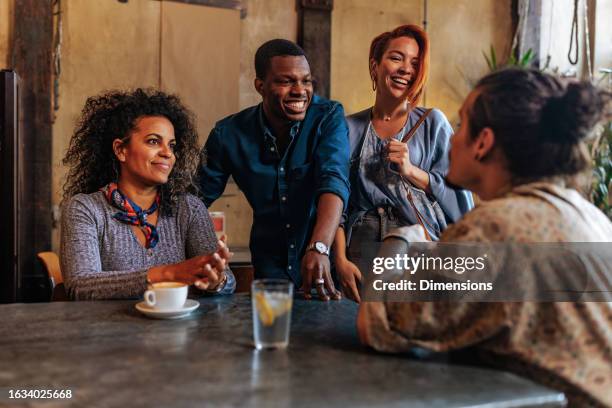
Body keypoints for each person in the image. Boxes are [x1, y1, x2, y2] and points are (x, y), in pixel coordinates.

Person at [357, 68, 612, 407]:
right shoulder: (591, 217)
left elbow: (379, 321)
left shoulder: (492, 228)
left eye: (461, 125)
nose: (452, 139)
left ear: (483, 142)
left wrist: (403, 238)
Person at [199, 39, 350, 301]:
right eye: (286, 81)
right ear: (260, 86)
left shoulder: (327, 117)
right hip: (270, 266)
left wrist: (320, 247)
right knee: (273, 335)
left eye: (306, 81)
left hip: (324, 263)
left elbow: (333, 180)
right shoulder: (228, 134)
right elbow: (195, 198)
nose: (300, 90)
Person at [334, 25, 473, 302]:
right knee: (358, 329)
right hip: (362, 243)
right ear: (375, 66)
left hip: (418, 242)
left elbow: (460, 196)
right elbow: (335, 201)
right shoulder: (347, 128)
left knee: (417, 328)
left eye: (414, 63)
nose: (405, 69)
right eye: (396, 58)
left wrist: (411, 172)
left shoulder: (433, 122)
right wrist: (339, 259)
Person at [61, 89, 236, 300]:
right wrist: (170, 273)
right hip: (108, 332)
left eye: (171, 145)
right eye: (154, 141)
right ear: (120, 150)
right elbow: (80, 286)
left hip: (179, 331)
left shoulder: (189, 208)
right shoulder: (85, 209)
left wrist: (216, 280)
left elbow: (227, 281)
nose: (167, 153)